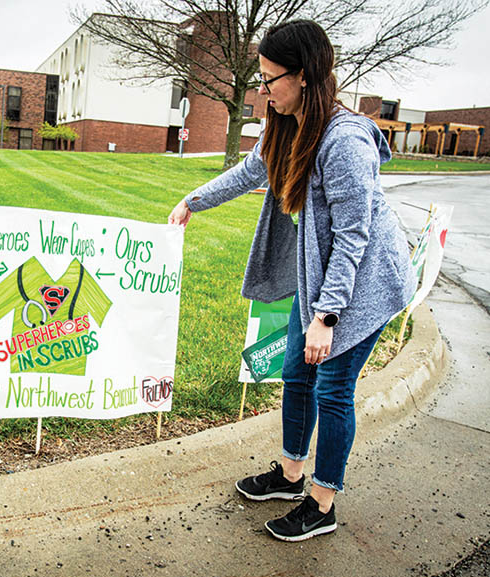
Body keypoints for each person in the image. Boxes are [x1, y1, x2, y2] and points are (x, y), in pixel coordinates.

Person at [168, 20, 416, 542]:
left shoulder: (345, 141)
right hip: (323, 275)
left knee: (331, 387)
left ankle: (322, 504)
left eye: (269, 80)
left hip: (365, 283)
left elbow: (354, 236)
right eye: (259, 80)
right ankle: (289, 475)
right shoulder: (286, 124)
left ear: (303, 76)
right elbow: (248, 174)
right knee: (295, 372)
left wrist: (326, 317)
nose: (263, 92)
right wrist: (194, 200)